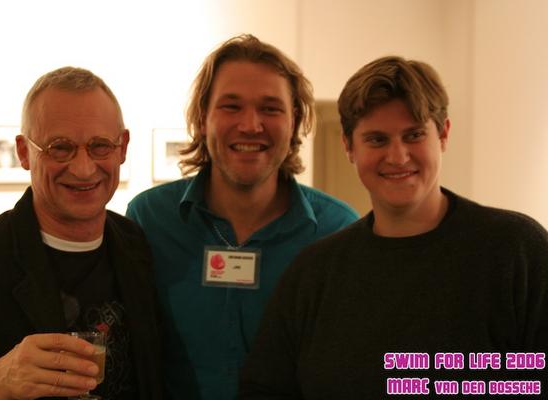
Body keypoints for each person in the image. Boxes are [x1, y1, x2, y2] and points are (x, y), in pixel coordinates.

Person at [240, 56, 548, 399]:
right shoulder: (314, 274)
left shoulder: (516, 251)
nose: (398, 157)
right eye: (377, 140)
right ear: (349, 146)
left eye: (413, 135)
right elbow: (264, 390)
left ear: (443, 134)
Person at [126, 34, 359, 399]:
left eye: (271, 108)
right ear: (202, 118)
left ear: (294, 121)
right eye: (231, 106)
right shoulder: (149, 219)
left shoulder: (337, 230)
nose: (251, 125)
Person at [0, 67, 163, 400]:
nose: (83, 168)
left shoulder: (137, 244)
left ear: (122, 148)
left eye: (100, 146)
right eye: (60, 148)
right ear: (24, 152)